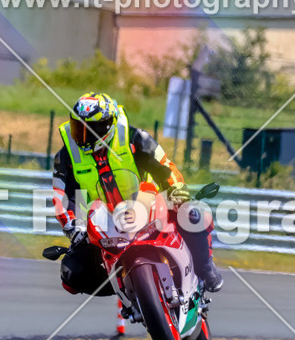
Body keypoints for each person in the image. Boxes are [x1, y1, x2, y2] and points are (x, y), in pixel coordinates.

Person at [51, 91, 223, 297]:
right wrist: (74, 227)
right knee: (71, 273)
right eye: (78, 128)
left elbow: (164, 167)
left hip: (148, 203)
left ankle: (205, 267)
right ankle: (127, 289)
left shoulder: (135, 138)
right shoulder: (66, 155)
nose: (83, 136)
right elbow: (62, 197)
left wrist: (178, 193)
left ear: (108, 125)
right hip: (102, 221)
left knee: (192, 214)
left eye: (91, 129)